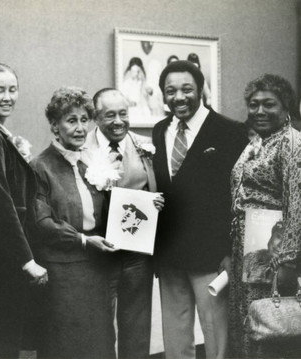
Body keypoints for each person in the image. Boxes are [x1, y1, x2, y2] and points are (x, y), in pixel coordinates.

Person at [152, 60, 248, 359]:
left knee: (215, 332)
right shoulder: (159, 131)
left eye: (186, 89)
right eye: (171, 91)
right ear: (163, 95)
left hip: (211, 254)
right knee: (175, 333)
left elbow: (239, 197)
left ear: (201, 90)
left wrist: (231, 250)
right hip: (169, 253)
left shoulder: (229, 131)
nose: (178, 97)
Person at [30, 87, 116, 359]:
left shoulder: (89, 162)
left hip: (98, 268)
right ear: (55, 127)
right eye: (71, 120)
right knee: (66, 345)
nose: (80, 128)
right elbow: (41, 222)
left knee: (100, 343)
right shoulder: (40, 167)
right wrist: (82, 240)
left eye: (84, 120)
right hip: (63, 272)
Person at [0, 63, 48, 358]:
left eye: (12, 89)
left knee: (8, 338)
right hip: (6, 253)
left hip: (8, 250)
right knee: (6, 338)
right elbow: (0, 200)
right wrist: (25, 259)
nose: (7, 97)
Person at [86, 88, 164, 359]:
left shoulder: (145, 146)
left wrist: (157, 202)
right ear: (96, 118)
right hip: (97, 253)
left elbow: (158, 188)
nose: (118, 121)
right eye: (110, 115)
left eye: (123, 113)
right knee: (99, 326)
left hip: (136, 252)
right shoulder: (82, 149)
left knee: (137, 325)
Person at [227, 74, 301, 358]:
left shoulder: (291, 143)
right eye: (254, 104)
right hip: (246, 249)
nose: (259, 111)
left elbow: (297, 203)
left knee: (269, 325)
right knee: (248, 319)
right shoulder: (258, 142)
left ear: (286, 108)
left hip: (273, 253)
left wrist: (288, 263)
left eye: (269, 104)